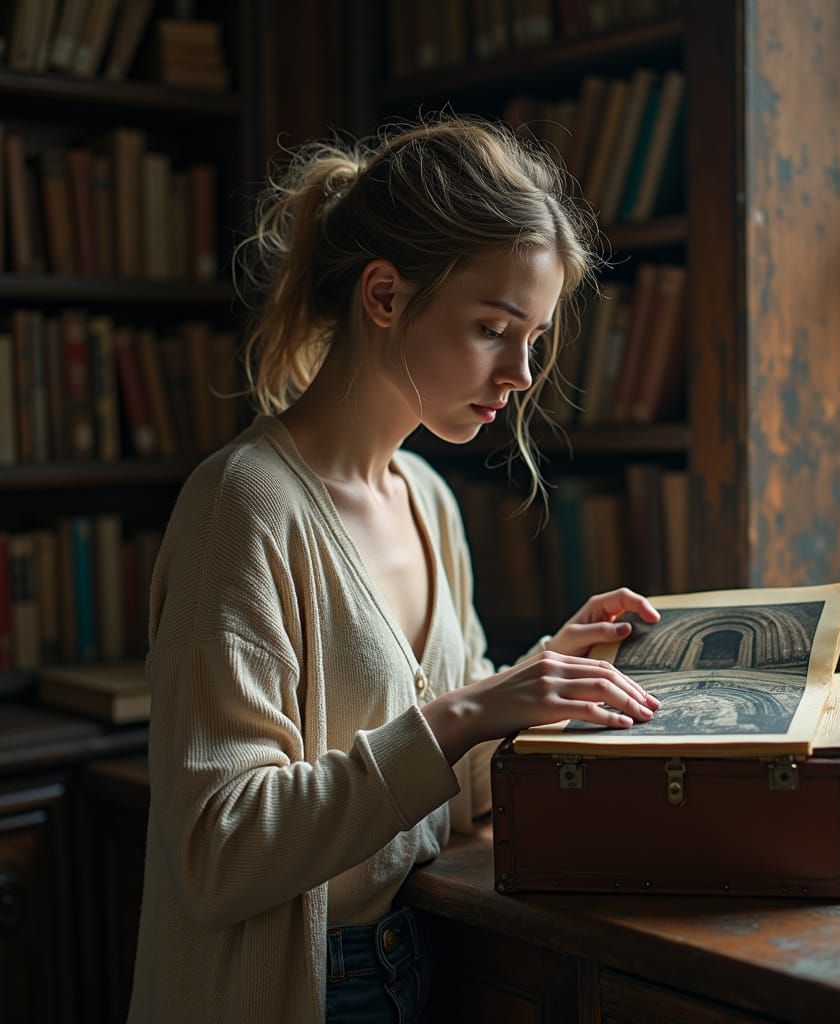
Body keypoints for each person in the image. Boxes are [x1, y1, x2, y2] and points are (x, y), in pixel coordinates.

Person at [127, 114, 661, 1024]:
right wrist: (464, 713)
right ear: (383, 295)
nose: (522, 373)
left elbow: (439, 806)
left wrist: (535, 686)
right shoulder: (245, 509)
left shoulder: (426, 498)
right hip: (293, 988)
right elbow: (216, 855)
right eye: (494, 327)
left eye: (533, 337)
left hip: (419, 961)